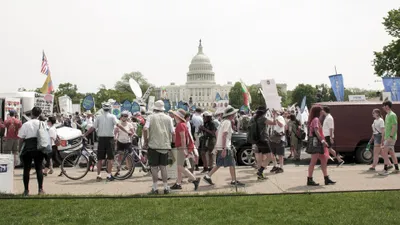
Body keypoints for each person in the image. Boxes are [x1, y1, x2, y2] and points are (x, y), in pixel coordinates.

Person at [84, 103, 131, 182]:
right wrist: (127, 131)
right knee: (110, 158)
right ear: (109, 109)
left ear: (102, 109)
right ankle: (109, 175)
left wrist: (85, 134)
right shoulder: (112, 116)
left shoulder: (98, 117)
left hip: (101, 139)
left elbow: (93, 127)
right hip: (110, 139)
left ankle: (98, 175)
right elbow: (118, 125)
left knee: (99, 159)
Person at [203, 106, 245, 186]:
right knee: (232, 163)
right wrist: (224, 149)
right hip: (225, 146)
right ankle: (233, 181)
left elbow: (217, 133)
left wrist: (218, 145)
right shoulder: (227, 122)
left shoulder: (223, 122)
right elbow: (224, 135)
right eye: (234, 114)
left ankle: (207, 176)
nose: (235, 115)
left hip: (221, 146)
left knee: (219, 164)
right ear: (231, 115)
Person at [142, 100, 174, 194]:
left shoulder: (150, 117)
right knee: (163, 167)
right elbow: (173, 132)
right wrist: (171, 143)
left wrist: (146, 141)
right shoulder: (168, 118)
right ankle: (165, 187)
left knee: (154, 168)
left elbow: (145, 128)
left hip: (153, 145)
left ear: (155, 108)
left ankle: (155, 188)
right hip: (165, 145)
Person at [18, 107, 46, 196]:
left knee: (26, 169)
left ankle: (26, 190)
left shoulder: (26, 124)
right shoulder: (42, 124)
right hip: (39, 147)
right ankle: (40, 189)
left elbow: (21, 138)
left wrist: (19, 149)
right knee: (39, 169)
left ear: (31, 113)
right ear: (40, 114)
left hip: (28, 148)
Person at [170, 109, 200, 190]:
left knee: (179, 167)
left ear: (178, 117)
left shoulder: (180, 125)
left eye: (175, 115)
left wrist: (183, 148)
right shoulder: (183, 124)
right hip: (181, 147)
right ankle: (178, 183)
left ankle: (194, 179)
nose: (174, 117)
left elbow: (183, 138)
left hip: (181, 147)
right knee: (179, 167)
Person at [306, 105, 336, 186]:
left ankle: (326, 178)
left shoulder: (315, 119)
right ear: (318, 111)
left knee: (323, 160)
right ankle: (309, 179)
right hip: (316, 142)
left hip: (317, 141)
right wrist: (323, 141)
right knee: (313, 161)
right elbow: (316, 131)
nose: (322, 111)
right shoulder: (316, 119)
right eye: (321, 110)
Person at [379, 100, 399, 175]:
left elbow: (394, 126)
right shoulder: (387, 115)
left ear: (387, 106)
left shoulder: (392, 115)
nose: (383, 107)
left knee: (384, 152)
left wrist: (390, 136)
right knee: (391, 153)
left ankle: (385, 169)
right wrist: (385, 137)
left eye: (384, 106)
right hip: (388, 137)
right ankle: (396, 168)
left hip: (391, 138)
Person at [269, 109, 286, 173]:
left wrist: (276, 119)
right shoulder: (273, 118)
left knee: (280, 154)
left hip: (279, 138)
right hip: (273, 138)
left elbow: (281, 125)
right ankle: (275, 166)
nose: (272, 113)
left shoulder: (280, 117)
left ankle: (281, 167)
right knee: (272, 153)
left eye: (273, 111)